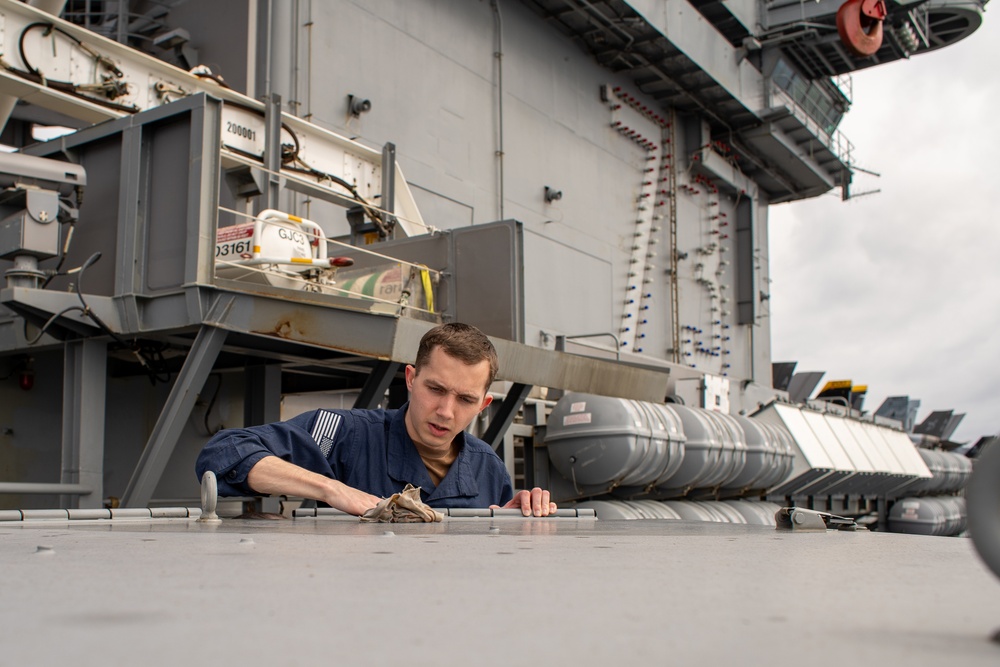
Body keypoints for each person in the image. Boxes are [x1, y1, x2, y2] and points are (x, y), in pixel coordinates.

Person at [195, 322, 557, 517]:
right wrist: (332, 489)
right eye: (435, 389)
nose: (446, 411)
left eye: (465, 399)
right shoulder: (342, 434)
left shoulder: (488, 469)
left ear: (483, 404)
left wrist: (514, 519)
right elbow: (225, 453)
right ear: (412, 379)